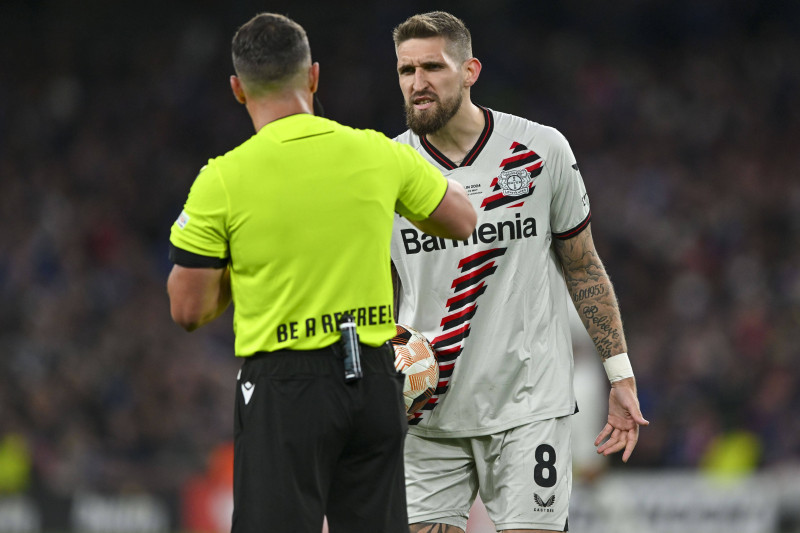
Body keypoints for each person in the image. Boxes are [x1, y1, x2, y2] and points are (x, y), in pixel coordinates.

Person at [166, 12, 477, 533]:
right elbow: (461, 219)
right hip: (376, 380)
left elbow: (188, 309)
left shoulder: (221, 179)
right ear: (312, 76)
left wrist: (245, 264)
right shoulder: (376, 152)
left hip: (285, 387)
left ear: (238, 90)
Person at [388, 11, 649, 533]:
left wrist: (619, 375)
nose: (418, 84)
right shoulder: (386, 168)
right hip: (426, 406)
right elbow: (368, 287)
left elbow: (582, 265)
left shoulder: (540, 150)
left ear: (470, 71)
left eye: (433, 68)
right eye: (405, 70)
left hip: (529, 407)